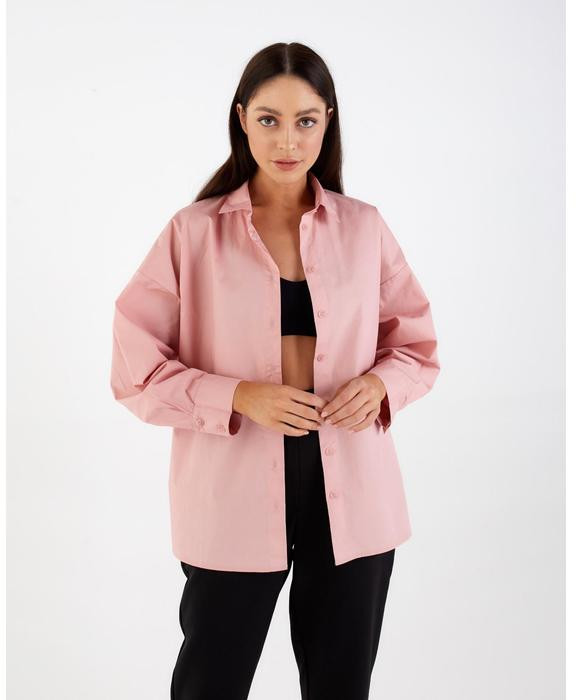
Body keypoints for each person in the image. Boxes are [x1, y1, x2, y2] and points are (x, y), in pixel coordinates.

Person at [110, 41, 441, 700]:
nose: (287, 140)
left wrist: (380, 385)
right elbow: (134, 368)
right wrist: (238, 396)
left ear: (328, 121)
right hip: (231, 489)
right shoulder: (193, 233)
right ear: (241, 119)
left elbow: (417, 347)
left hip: (354, 490)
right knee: (211, 682)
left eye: (305, 120)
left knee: (341, 685)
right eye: (269, 119)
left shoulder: (365, 228)